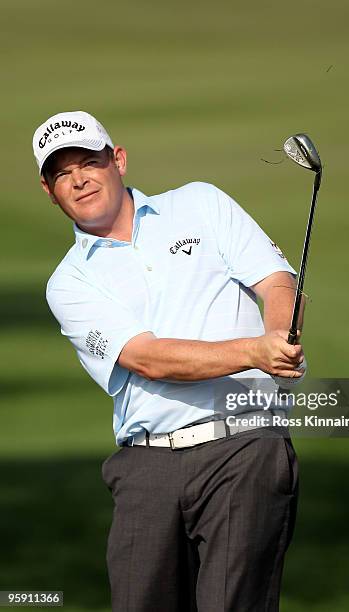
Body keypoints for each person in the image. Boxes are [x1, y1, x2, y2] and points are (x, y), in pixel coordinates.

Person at [33, 110, 306, 611]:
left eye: (89, 162)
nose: (79, 179)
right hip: (146, 466)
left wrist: (278, 334)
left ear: (117, 160)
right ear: (50, 191)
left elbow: (277, 280)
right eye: (61, 173)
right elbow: (147, 358)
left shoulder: (200, 203)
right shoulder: (67, 283)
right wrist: (255, 352)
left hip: (243, 446)